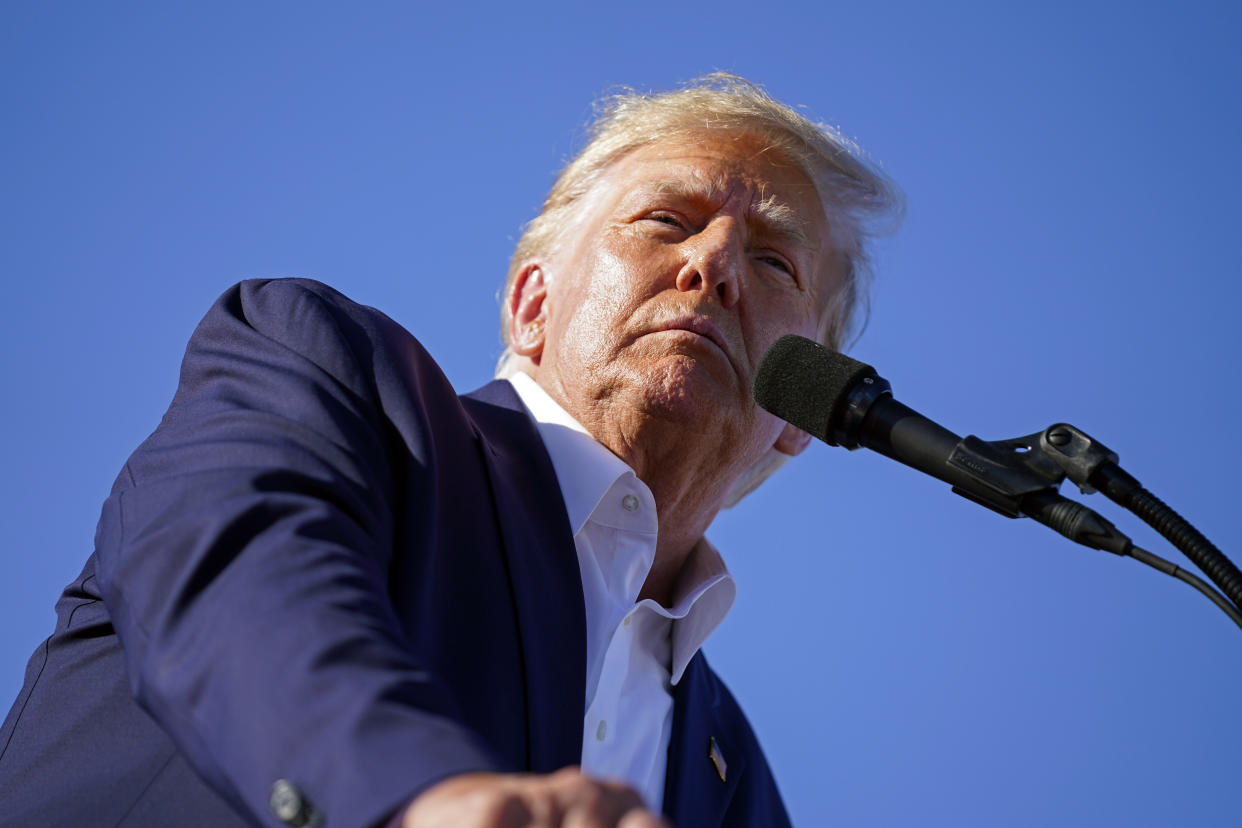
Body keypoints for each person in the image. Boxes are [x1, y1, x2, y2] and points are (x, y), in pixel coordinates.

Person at [0, 74, 899, 827]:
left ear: (802, 414)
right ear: (533, 306)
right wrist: (420, 792)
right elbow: (240, 570)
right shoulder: (334, 372)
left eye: (777, 263)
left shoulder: (736, 780)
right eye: (667, 220)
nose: (716, 266)